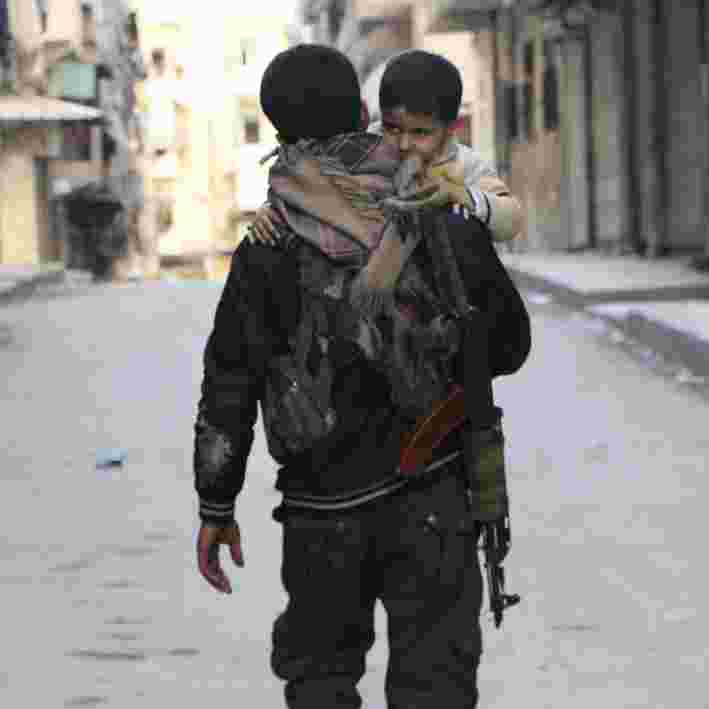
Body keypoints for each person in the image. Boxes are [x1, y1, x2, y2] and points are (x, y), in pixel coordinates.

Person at [192, 44, 531, 709]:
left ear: (278, 133)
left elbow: (229, 385)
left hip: (321, 514)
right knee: (435, 685)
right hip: (432, 498)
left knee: (319, 680)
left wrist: (216, 505)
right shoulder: (434, 208)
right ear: (363, 117)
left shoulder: (266, 243)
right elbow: (510, 346)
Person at [247, 49, 524, 247]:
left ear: (451, 128)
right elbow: (313, 185)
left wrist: (462, 195)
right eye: (393, 128)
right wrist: (269, 211)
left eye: (420, 132)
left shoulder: (465, 164)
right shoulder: (366, 148)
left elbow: (511, 218)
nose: (403, 143)